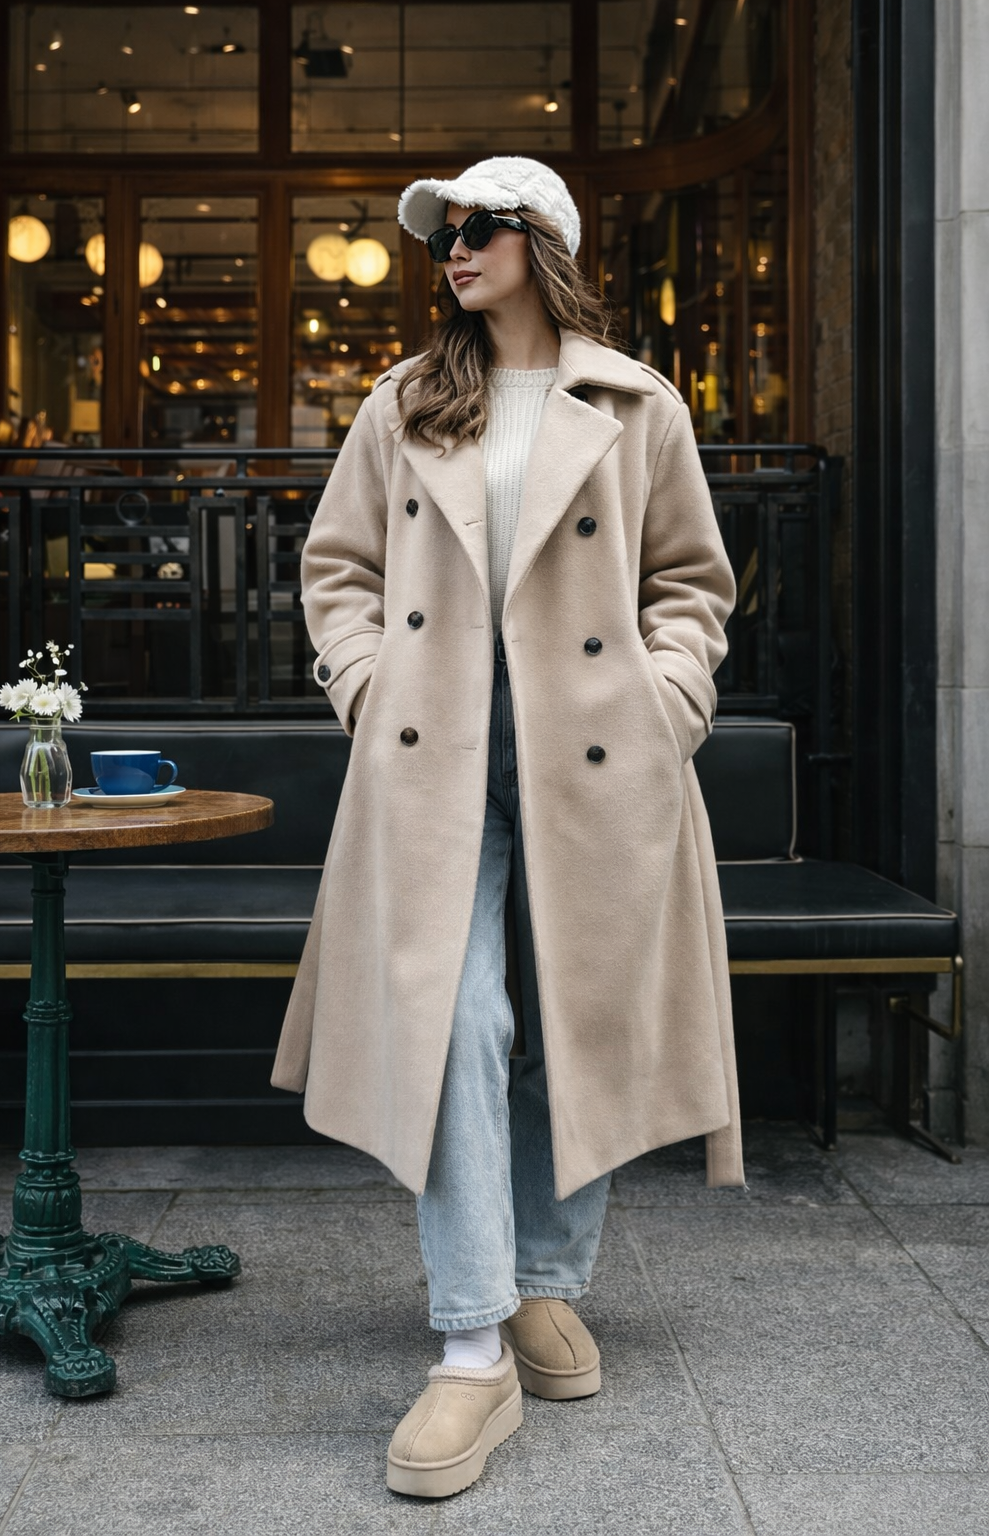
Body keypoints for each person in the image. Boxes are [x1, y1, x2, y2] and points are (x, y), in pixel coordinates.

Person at [272, 156, 743, 1499]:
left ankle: (543, 1277)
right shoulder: (406, 403)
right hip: (436, 770)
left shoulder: (635, 404)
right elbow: (338, 575)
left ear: (542, 245)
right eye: (443, 237)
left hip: (599, 771)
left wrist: (668, 703)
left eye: (476, 231)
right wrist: (367, 687)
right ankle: (473, 1343)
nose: (452, 254)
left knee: (573, 1025)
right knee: (456, 1021)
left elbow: (691, 586)